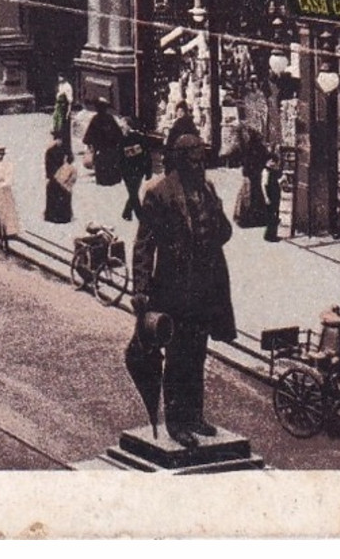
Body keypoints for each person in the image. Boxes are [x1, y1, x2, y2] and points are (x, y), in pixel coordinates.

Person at [131, 133, 235, 447]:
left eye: (202, 159)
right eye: (195, 160)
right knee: (177, 356)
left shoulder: (207, 189)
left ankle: (195, 416)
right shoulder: (159, 192)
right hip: (174, 288)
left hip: (205, 286)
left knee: (198, 353)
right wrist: (141, 288)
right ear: (180, 160)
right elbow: (144, 244)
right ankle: (176, 422)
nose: (200, 164)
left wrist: (215, 213)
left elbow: (223, 232)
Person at [82, 98, 125, 187]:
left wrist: (90, 144)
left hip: (100, 152)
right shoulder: (110, 118)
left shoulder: (95, 119)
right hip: (111, 152)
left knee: (101, 169)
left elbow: (88, 137)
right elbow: (119, 135)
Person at [119, 128, 153, 222]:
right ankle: (128, 213)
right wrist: (148, 171)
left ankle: (140, 216)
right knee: (133, 192)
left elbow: (119, 157)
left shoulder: (122, 139)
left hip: (128, 170)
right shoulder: (140, 138)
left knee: (133, 193)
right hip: (139, 170)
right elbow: (147, 156)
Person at [43, 134, 75, 224]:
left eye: (60, 139)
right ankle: (54, 216)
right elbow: (48, 165)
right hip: (55, 177)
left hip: (62, 176)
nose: (59, 141)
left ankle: (62, 216)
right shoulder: (50, 151)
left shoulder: (64, 150)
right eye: (57, 139)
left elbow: (71, 160)